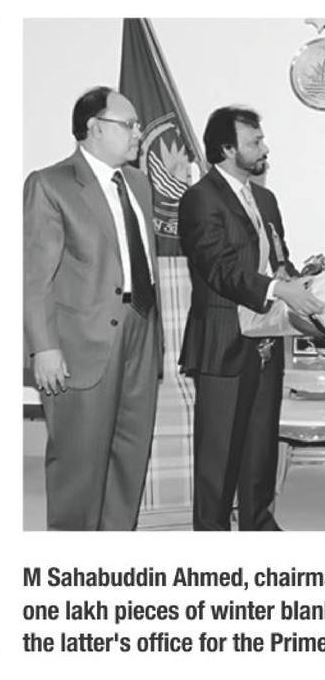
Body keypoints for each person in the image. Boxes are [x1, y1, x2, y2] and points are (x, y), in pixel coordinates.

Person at [24, 86, 162, 530]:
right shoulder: (51, 184)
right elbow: (35, 277)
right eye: (130, 124)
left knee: (129, 455)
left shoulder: (139, 184)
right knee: (79, 465)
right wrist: (44, 347)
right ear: (94, 128)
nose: (139, 133)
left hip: (141, 329)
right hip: (82, 343)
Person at [178, 107, 323, 531]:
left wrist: (302, 280)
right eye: (254, 142)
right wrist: (278, 289)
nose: (265, 148)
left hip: (266, 338)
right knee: (219, 453)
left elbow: (278, 260)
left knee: (260, 446)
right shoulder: (200, 198)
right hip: (224, 340)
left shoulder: (265, 199)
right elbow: (219, 269)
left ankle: (259, 525)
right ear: (227, 148)